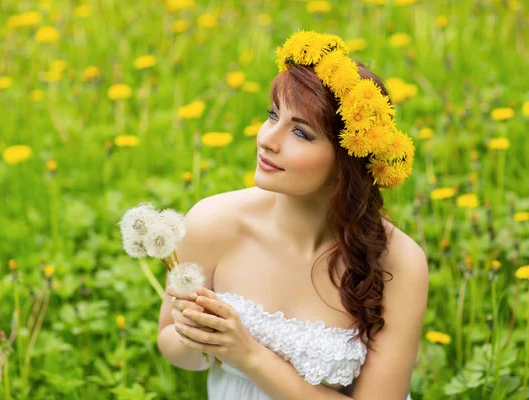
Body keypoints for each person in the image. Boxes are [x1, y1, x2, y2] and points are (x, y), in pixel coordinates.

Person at [157, 30, 428, 400]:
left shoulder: (399, 262)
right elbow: (169, 341)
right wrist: (200, 336)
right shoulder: (212, 222)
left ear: (346, 160)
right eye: (273, 115)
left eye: (300, 132)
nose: (267, 139)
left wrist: (250, 355)